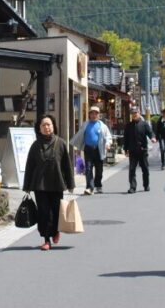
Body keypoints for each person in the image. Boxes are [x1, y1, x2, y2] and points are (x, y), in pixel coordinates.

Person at [23, 114, 76, 250]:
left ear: (53, 127)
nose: (46, 127)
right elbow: (30, 166)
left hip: (57, 182)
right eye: (43, 125)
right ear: (39, 128)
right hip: (39, 184)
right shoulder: (35, 146)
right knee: (43, 212)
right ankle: (46, 239)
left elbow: (67, 165)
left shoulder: (61, 143)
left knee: (57, 210)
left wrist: (70, 184)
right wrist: (27, 185)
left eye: (49, 124)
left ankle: (56, 231)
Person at [71, 105, 111, 194]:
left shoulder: (102, 125)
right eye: (92, 113)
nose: (94, 115)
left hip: (98, 149)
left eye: (96, 114)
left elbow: (108, 136)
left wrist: (108, 144)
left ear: (99, 115)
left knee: (99, 169)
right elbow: (80, 137)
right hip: (88, 149)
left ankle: (98, 185)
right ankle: (89, 187)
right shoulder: (85, 124)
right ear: (89, 115)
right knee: (88, 168)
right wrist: (78, 148)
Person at [123, 108, 156, 192]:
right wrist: (125, 149)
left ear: (139, 113)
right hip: (132, 150)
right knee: (132, 169)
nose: (134, 114)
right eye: (133, 113)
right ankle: (132, 187)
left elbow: (150, 132)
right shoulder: (128, 126)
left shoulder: (144, 124)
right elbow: (126, 138)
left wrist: (152, 138)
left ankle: (146, 185)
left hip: (143, 150)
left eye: (136, 113)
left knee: (145, 168)